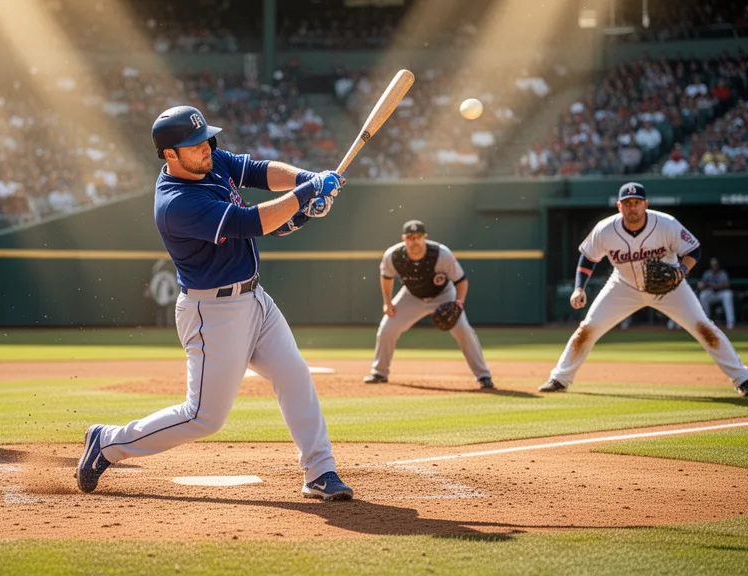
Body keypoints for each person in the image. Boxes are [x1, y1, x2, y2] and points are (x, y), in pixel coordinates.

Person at [76, 106, 354, 500]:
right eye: (194, 144)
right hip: (213, 313)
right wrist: (306, 196)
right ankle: (107, 443)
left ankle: (320, 471)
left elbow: (257, 171)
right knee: (204, 417)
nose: (206, 147)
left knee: (294, 375)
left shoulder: (208, 161)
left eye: (206, 138)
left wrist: (306, 180)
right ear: (170, 155)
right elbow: (250, 223)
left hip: (255, 297)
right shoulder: (176, 203)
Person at [540, 182, 748, 397]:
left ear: (646, 204)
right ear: (619, 206)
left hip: (669, 287)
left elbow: (694, 249)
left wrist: (681, 271)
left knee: (704, 328)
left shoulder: (666, 224)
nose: (632, 207)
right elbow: (588, 258)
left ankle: (744, 379)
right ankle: (559, 378)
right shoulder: (605, 229)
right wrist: (579, 288)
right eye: (627, 203)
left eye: (636, 202)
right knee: (587, 329)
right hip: (623, 286)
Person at [363, 220, 494, 389]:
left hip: (443, 295)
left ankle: (483, 376)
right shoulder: (393, 256)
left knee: (463, 330)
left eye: (418, 236)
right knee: (387, 329)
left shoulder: (441, 254)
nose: (415, 241)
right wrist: (387, 302)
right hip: (412, 296)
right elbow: (386, 277)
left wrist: (458, 304)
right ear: (404, 239)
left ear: (425, 237)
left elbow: (461, 281)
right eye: (410, 237)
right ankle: (379, 373)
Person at [698, 257, 736, 329]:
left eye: (716, 265)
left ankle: (730, 322)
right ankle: (706, 321)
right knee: (703, 295)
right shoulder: (707, 273)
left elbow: (727, 284)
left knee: (728, 294)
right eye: (713, 265)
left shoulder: (723, 273)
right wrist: (704, 285)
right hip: (711, 293)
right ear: (711, 266)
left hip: (721, 293)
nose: (715, 267)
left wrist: (716, 286)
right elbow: (701, 285)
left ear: (718, 265)